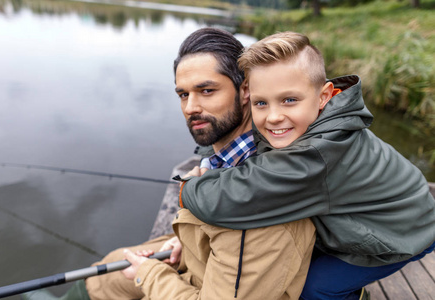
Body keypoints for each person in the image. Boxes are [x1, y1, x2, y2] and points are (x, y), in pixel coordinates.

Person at [23, 28, 316, 300]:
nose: (190, 108)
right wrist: (189, 237)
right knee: (115, 262)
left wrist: (148, 275)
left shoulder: (262, 195)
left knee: (130, 269)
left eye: (207, 91)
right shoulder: (239, 153)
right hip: (207, 257)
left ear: (245, 91)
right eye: (183, 94)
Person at [177, 31, 435, 300]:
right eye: (261, 103)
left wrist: (187, 189)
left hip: (403, 230)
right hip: (378, 208)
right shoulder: (311, 121)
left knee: (315, 288)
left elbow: (231, 198)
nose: (274, 117)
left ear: (324, 96)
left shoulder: (316, 154)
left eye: (289, 100)